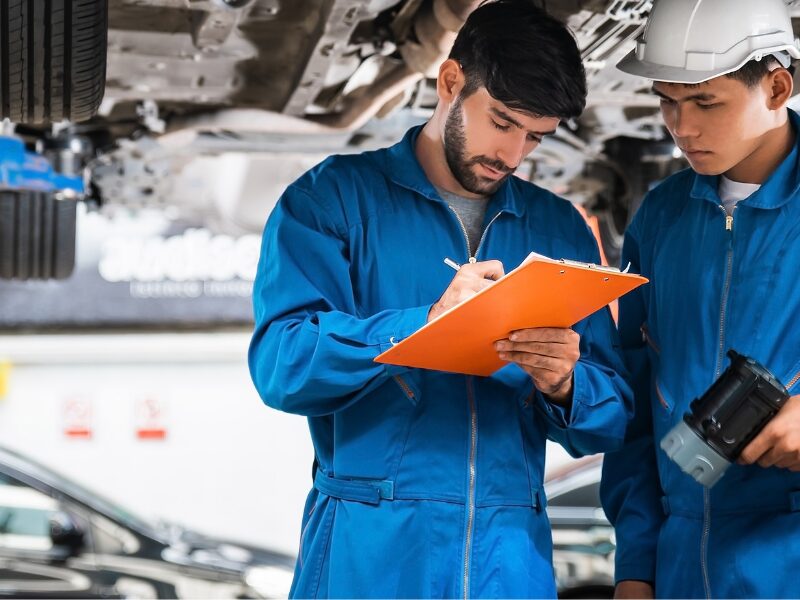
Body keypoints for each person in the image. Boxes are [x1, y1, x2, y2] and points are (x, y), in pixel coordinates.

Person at [249, 1, 632, 596]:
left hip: (510, 560)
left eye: (535, 136)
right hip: (370, 555)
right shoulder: (333, 200)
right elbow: (282, 366)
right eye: (502, 122)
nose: (513, 155)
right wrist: (418, 327)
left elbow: (611, 419)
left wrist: (567, 383)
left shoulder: (558, 227)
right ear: (450, 81)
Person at [600, 0, 800, 598]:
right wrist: (636, 567)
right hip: (683, 561)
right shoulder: (660, 216)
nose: (681, 127)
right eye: (667, 100)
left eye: (706, 102)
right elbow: (635, 399)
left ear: (776, 86)